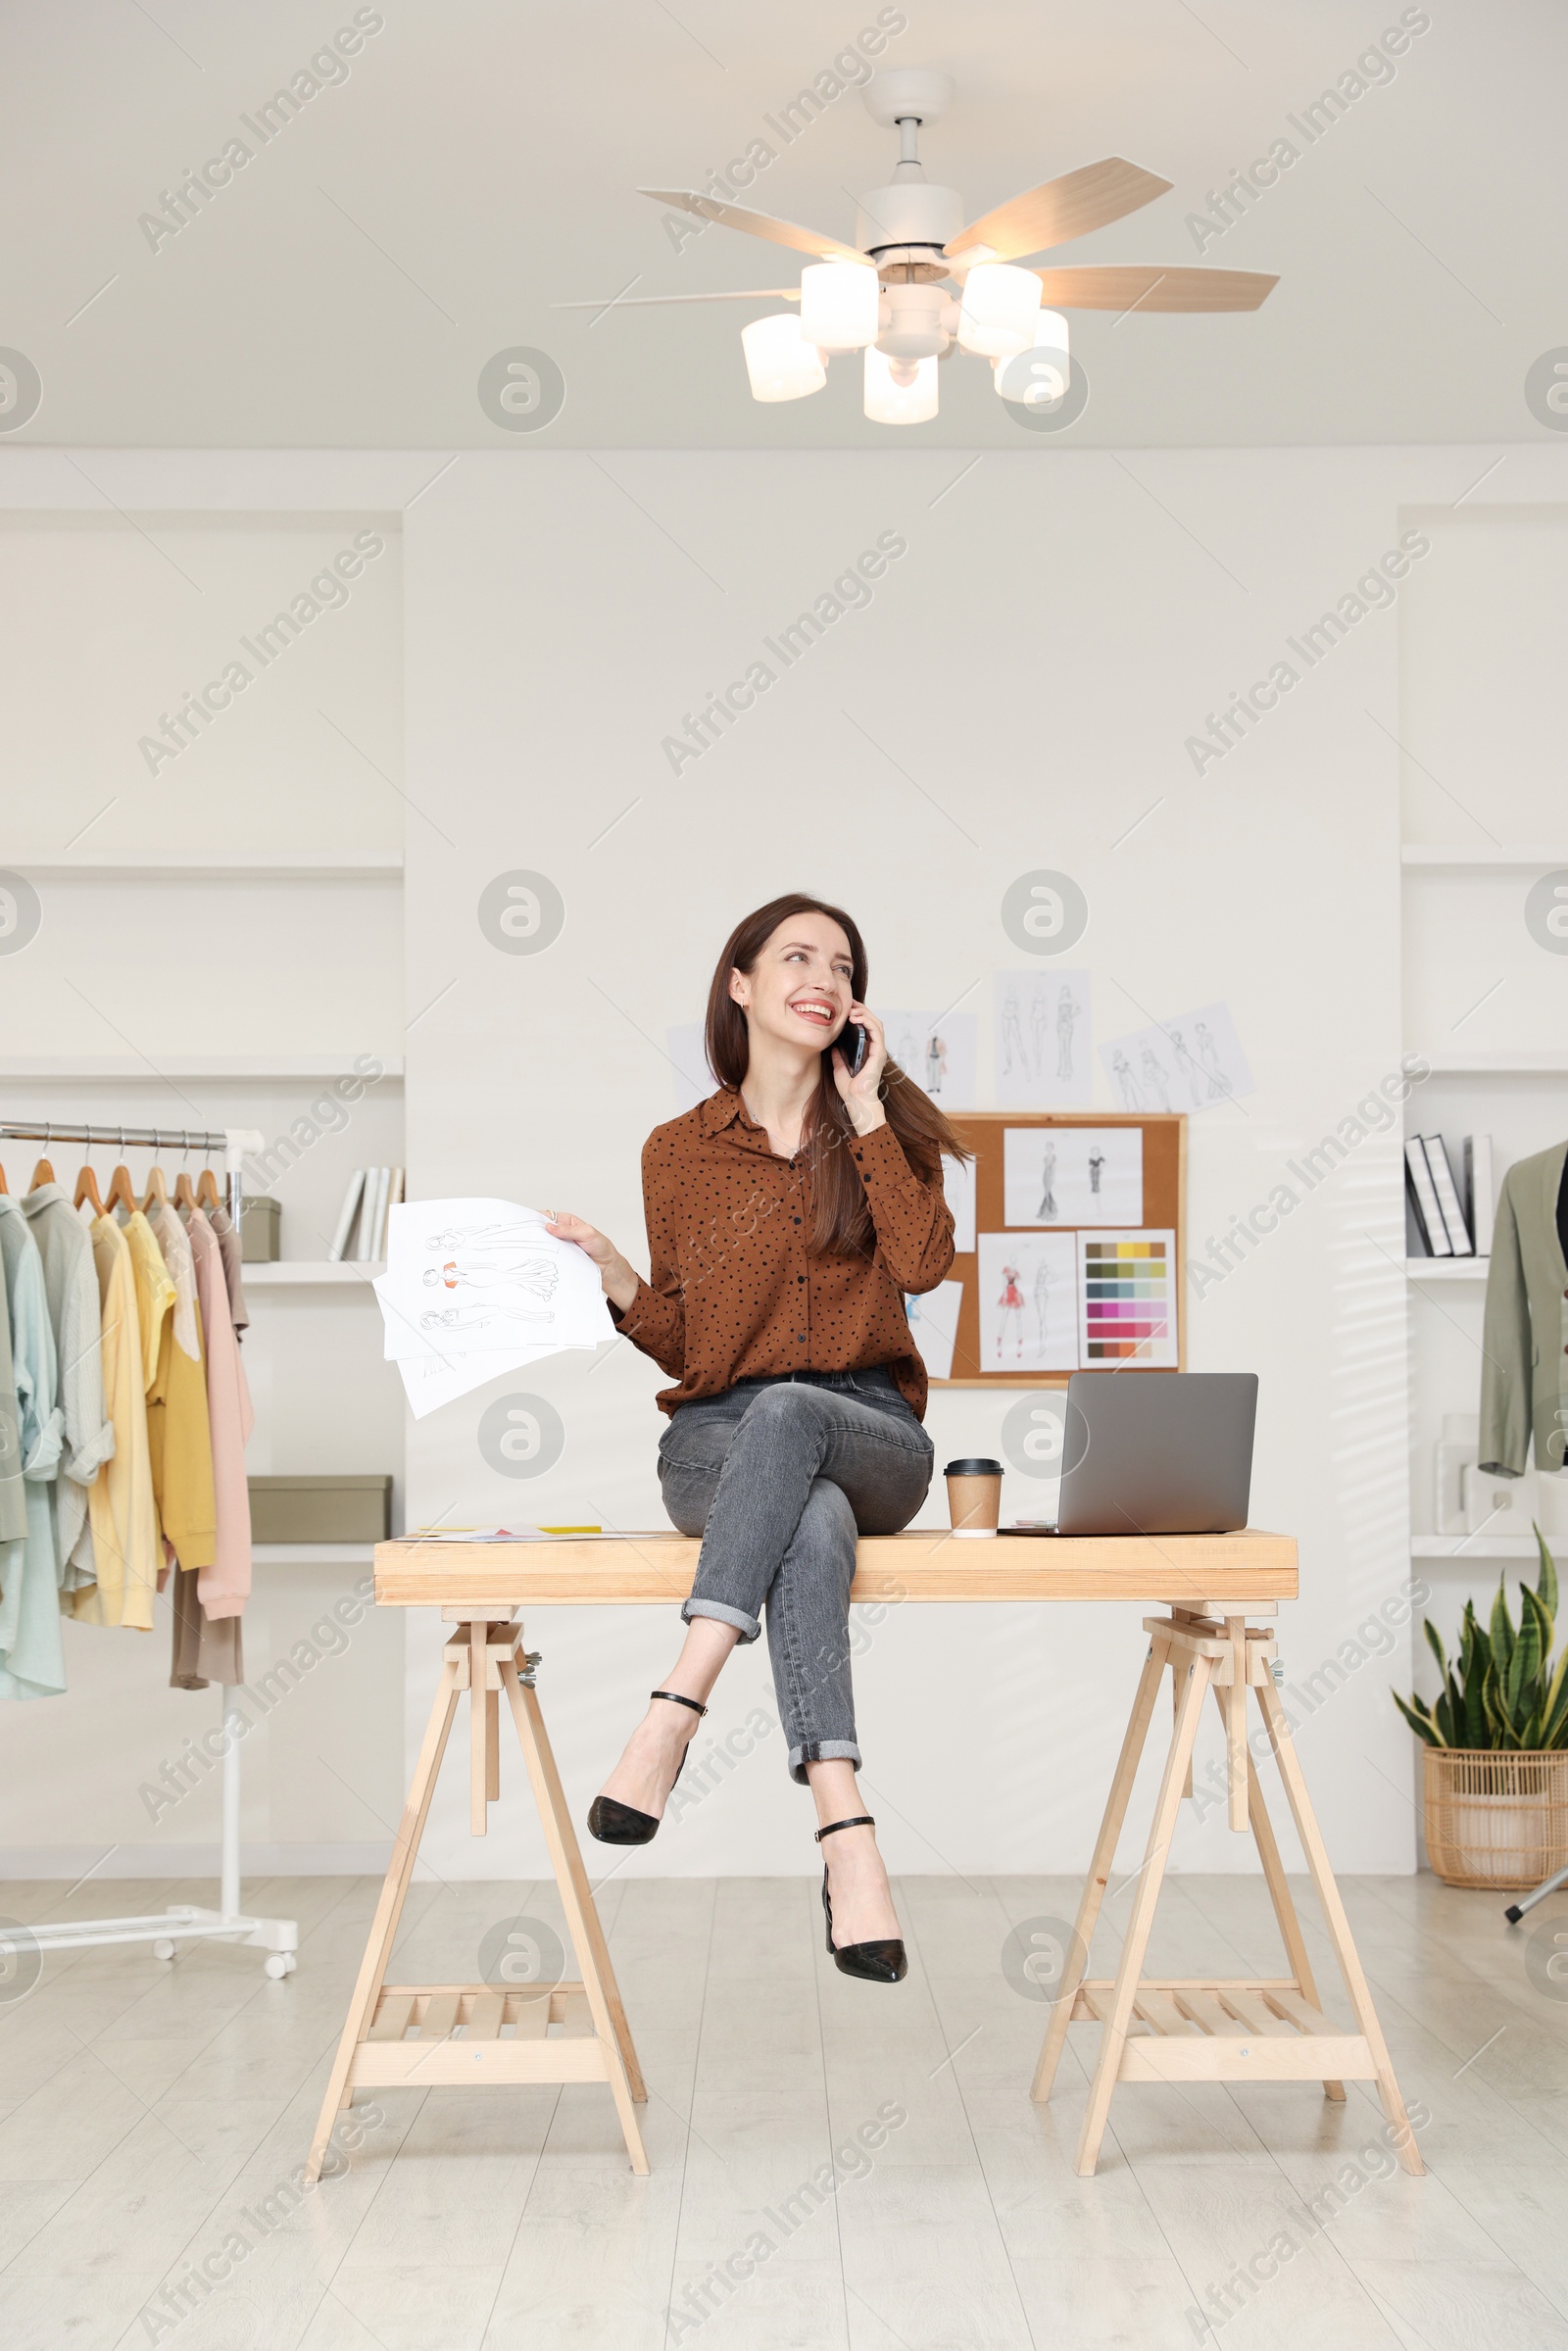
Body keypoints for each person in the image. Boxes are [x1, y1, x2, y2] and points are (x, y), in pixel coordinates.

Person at [548, 894, 965, 1984]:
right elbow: (692, 1340)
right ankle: (847, 1825)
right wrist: (614, 1276)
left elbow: (923, 1267)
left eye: (841, 962)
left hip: (870, 1426)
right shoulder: (675, 1152)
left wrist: (869, 1113)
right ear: (740, 982)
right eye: (795, 955)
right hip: (720, 1438)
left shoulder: (887, 1133)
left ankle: (672, 1707)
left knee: (798, 1421)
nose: (820, 974)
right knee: (804, 1508)